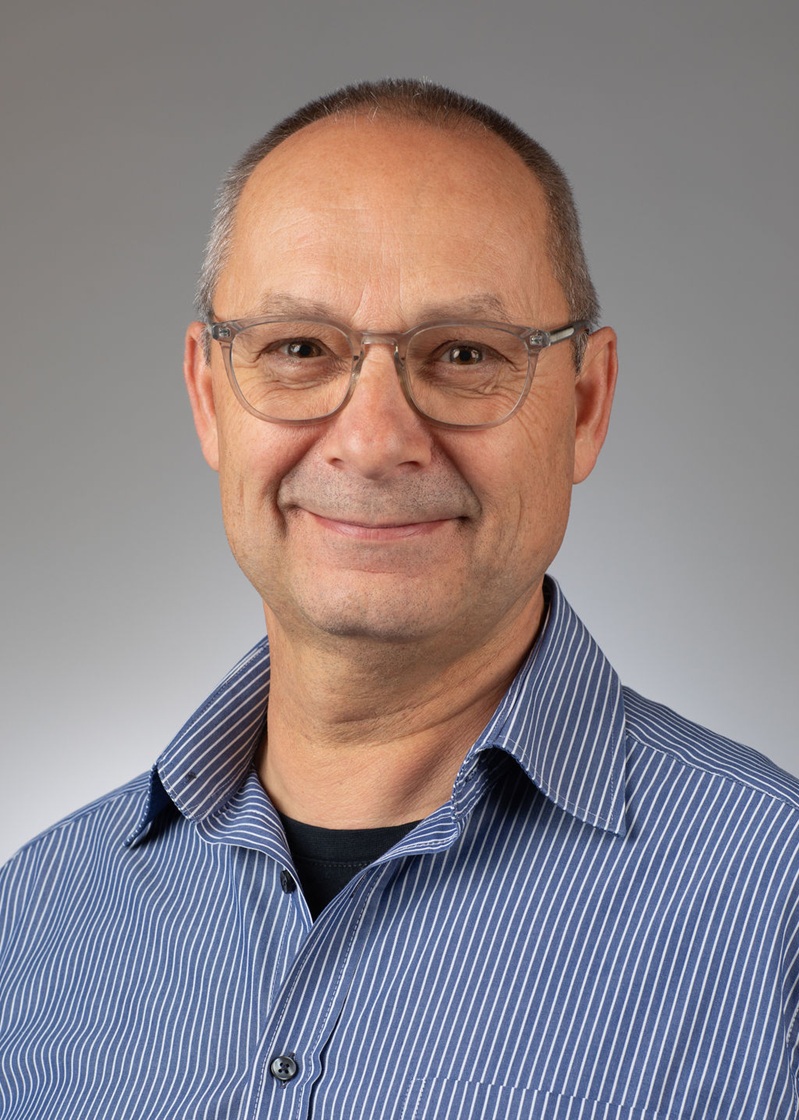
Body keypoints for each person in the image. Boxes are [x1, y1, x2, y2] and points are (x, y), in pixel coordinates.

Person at [1, 79, 797, 1120]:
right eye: (298, 349)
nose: (375, 440)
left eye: (465, 354)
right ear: (208, 395)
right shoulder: (37, 917)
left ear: (585, 406)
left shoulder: (774, 905)